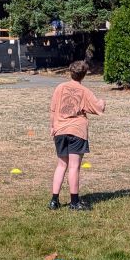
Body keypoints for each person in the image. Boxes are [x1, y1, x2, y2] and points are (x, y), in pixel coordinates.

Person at [48, 60, 106, 211]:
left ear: (70, 72)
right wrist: (103, 102)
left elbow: (53, 109)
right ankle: (74, 202)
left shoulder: (59, 88)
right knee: (74, 166)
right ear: (84, 75)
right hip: (77, 131)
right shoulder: (85, 91)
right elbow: (98, 108)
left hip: (60, 130)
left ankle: (54, 200)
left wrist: (53, 126)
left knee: (61, 165)